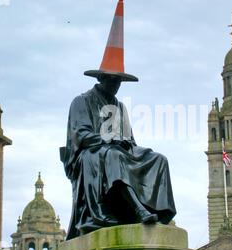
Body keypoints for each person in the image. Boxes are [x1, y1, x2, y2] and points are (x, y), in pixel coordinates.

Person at [62, 74, 176, 239]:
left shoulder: (120, 107)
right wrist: (107, 140)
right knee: (114, 155)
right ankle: (138, 210)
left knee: (159, 159)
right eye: (112, 80)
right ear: (101, 78)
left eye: (119, 82)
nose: (116, 85)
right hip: (88, 154)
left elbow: (130, 139)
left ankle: (160, 213)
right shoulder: (81, 101)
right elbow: (80, 135)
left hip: (117, 152)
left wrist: (125, 142)